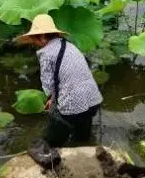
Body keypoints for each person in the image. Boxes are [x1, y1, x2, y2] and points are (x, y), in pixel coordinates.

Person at [17, 14, 103, 148]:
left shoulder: (46, 53)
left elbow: (48, 84)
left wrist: (51, 99)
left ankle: (52, 156)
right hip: (92, 100)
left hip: (74, 104)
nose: (35, 44)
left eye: (35, 39)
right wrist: (54, 97)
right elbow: (67, 77)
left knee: (52, 141)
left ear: (43, 37)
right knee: (82, 138)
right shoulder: (69, 46)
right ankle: (85, 151)